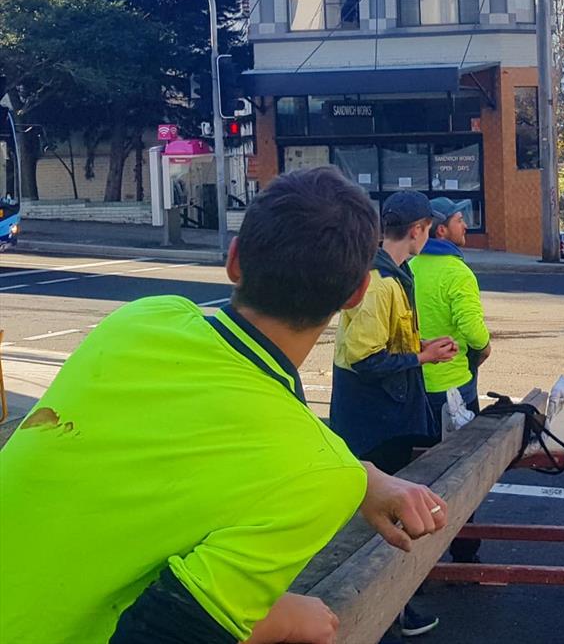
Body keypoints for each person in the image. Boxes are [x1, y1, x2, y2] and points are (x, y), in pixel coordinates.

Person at [0, 168, 448, 644]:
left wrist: (358, 475)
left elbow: (194, 436)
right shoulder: (319, 472)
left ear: (234, 261)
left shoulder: (143, 319)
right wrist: (278, 620)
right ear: (357, 293)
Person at [329, 189, 456, 638]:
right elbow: (363, 362)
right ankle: (384, 611)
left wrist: (423, 351)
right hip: (375, 423)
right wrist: (420, 360)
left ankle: (395, 608)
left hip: (388, 416)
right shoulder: (380, 282)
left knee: (384, 519)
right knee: (377, 523)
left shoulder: (393, 275)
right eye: (428, 228)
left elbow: (381, 348)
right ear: (419, 231)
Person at [412, 197, 491, 565]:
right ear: (441, 229)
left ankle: (417, 560)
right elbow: (472, 329)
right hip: (454, 387)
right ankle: (464, 550)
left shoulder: (409, 267)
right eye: (461, 220)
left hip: (415, 386)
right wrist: (484, 346)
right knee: (461, 472)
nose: (466, 227)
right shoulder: (457, 273)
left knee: (418, 472)